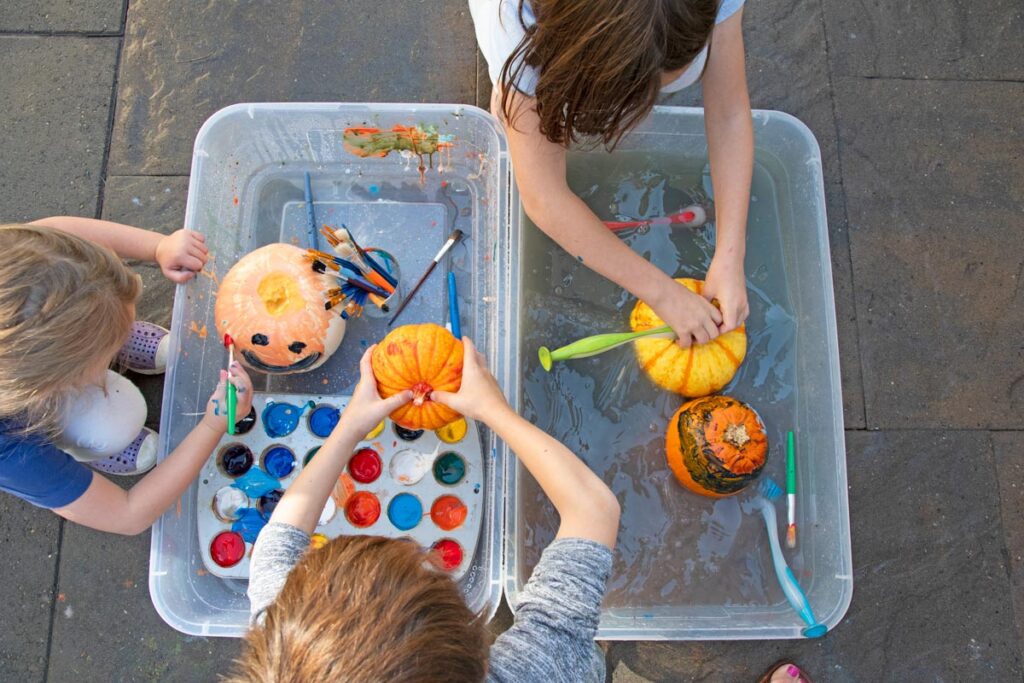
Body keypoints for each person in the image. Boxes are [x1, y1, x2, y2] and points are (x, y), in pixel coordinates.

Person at [226, 339, 621, 682]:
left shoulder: (287, 645)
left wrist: (348, 428)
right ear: (480, 660)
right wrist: (495, 411)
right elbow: (593, 508)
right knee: (575, 646)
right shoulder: (535, 670)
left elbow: (276, 542)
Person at [469, 0, 753, 346]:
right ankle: (522, 102)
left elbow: (729, 115)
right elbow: (544, 198)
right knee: (530, 105)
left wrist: (730, 255)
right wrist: (662, 293)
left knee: (691, 65)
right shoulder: (513, 28)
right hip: (535, 42)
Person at [0, 219, 254, 534]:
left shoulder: (13, 264)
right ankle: (91, 443)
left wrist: (158, 246)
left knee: (85, 290)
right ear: (53, 382)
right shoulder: (12, 452)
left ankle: (103, 322)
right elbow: (127, 515)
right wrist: (214, 423)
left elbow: (60, 240)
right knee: (118, 423)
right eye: (111, 344)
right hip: (27, 403)